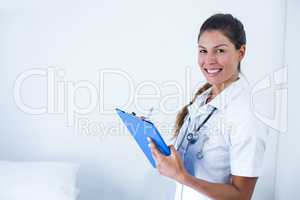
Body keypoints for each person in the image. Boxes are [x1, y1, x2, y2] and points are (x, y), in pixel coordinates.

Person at [147, 13, 268, 200]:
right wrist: (155, 143)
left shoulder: (247, 114)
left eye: (220, 51)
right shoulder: (204, 98)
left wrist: (182, 176)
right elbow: (189, 157)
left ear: (241, 52)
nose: (209, 60)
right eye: (203, 51)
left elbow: (242, 195)